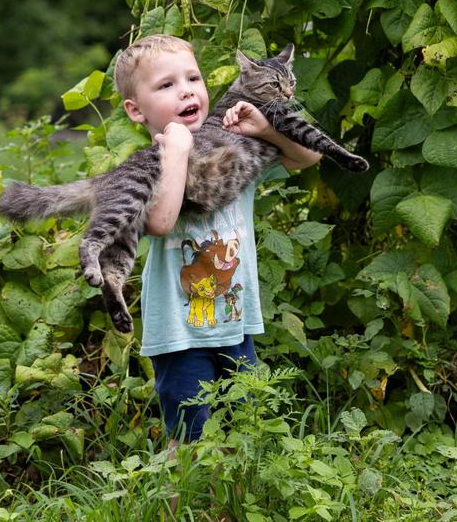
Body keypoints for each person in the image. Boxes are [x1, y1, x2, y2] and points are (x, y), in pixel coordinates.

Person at [112, 34, 322, 445]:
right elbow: (161, 221)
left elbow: (307, 158)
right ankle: (177, 505)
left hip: (235, 320)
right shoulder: (147, 167)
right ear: (136, 111)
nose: (186, 89)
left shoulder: (232, 147)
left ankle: (231, 504)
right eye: (166, 85)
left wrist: (268, 130)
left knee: (247, 428)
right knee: (188, 436)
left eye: (193, 78)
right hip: (180, 333)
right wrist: (176, 150)